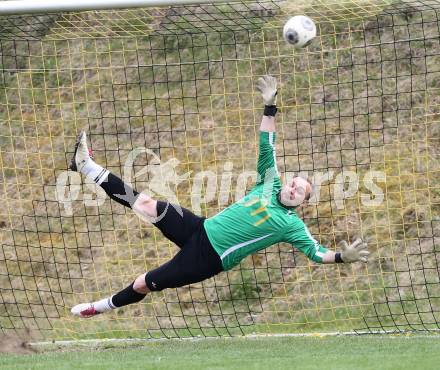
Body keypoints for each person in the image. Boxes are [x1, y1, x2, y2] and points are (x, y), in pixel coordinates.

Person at [70, 75, 369, 318]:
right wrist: (270, 104)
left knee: (144, 283)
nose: (292, 189)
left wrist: (343, 257)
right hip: (200, 228)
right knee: (145, 203)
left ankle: (99, 307)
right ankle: (86, 166)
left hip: (207, 258)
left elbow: (316, 253)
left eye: (300, 192)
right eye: (294, 184)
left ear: (302, 203)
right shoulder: (269, 183)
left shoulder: (291, 226)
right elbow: (268, 141)